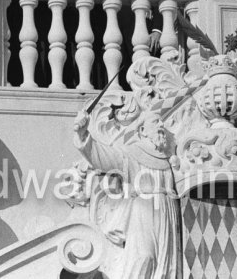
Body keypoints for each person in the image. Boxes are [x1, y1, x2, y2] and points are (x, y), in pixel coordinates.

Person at [73, 109, 180, 278]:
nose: (161, 125)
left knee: (167, 265)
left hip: (168, 211)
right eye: (155, 122)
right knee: (145, 256)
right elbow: (105, 157)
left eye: (161, 122)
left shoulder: (167, 159)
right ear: (142, 131)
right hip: (144, 210)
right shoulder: (133, 154)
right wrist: (83, 135)